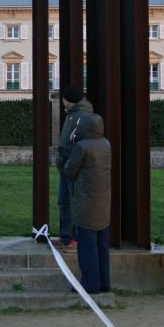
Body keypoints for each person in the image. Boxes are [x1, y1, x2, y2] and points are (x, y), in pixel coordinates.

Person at [64, 112, 111, 294]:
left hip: (86, 201)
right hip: (103, 200)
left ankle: (90, 283)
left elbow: (70, 170)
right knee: (102, 243)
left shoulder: (81, 147)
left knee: (87, 244)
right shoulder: (106, 144)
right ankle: (104, 282)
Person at [55, 86, 93, 249]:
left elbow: (79, 144)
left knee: (71, 202)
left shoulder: (81, 117)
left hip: (73, 167)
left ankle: (73, 237)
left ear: (67, 99)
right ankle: (66, 236)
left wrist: (69, 162)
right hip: (67, 166)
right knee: (64, 202)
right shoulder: (72, 115)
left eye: (63, 98)